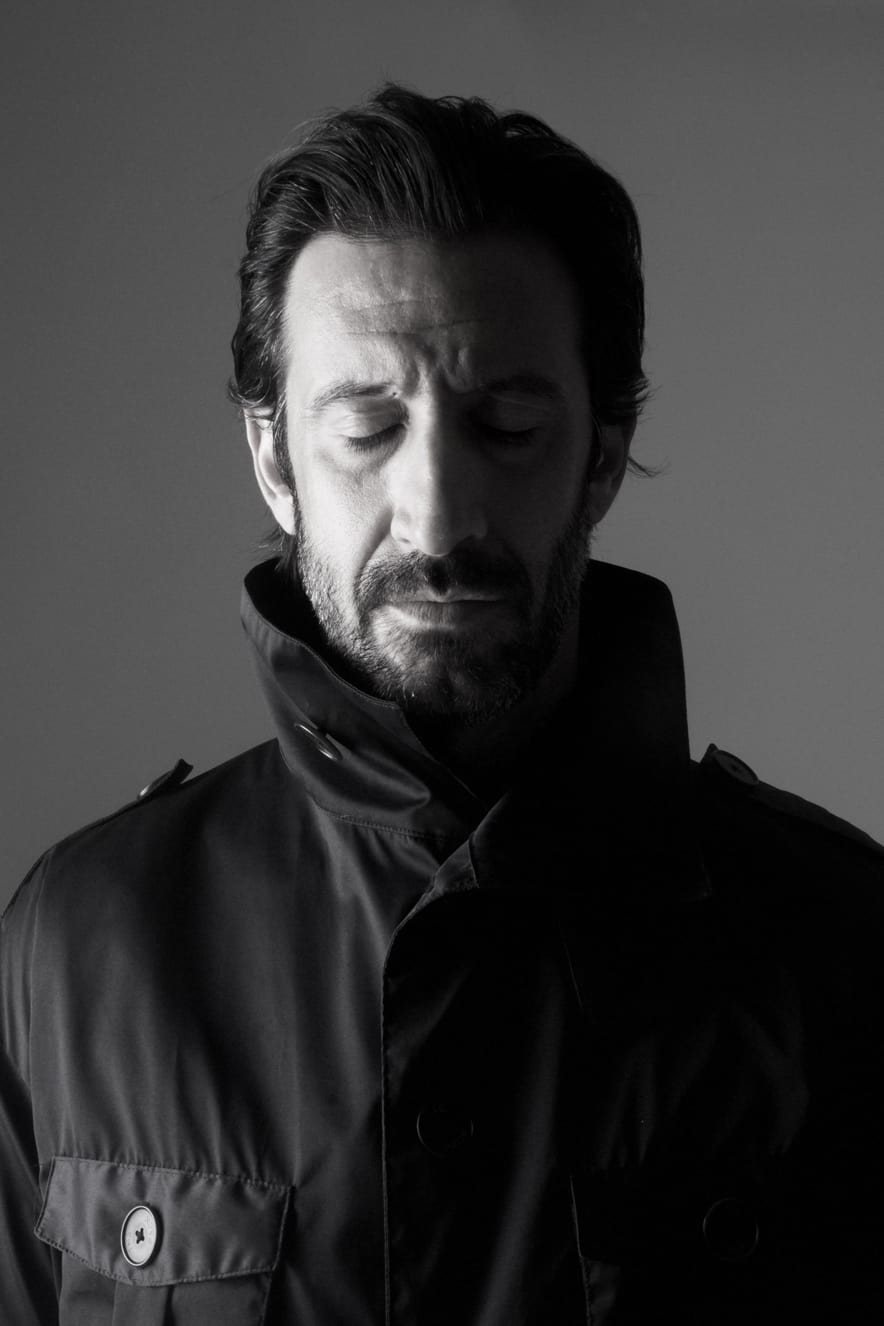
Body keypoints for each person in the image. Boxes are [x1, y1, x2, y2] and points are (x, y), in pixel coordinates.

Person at [2, 83, 882, 1326]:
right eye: (365, 429)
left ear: (598, 453)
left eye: (505, 425)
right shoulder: (78, 941)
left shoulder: (841, 941)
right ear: (273, 458)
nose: (436, 518)